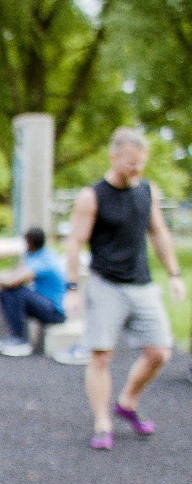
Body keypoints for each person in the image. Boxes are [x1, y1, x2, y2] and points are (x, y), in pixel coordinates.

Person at [63, 127, 186, 451]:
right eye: (131, 163)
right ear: (113, 157)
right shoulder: (92, 196)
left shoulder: (147, 190)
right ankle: (103, 423)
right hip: (106, 284)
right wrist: (72, 287)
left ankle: (127, 402)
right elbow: (75, 242)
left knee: (160, 353)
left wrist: (174, 273)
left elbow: (158, 232)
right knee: (101, 356)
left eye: (141, 164)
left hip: (142, 284)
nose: (137, 169)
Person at [0, 227, 67, 357]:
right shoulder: (33, 255)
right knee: (6, 291)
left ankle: (20, 340)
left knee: (15, 291)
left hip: (54, 311)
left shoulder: (44, 260)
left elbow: (14, 281)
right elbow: (15, 273)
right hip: (44, 303)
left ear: (30, 241)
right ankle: (16, 336)